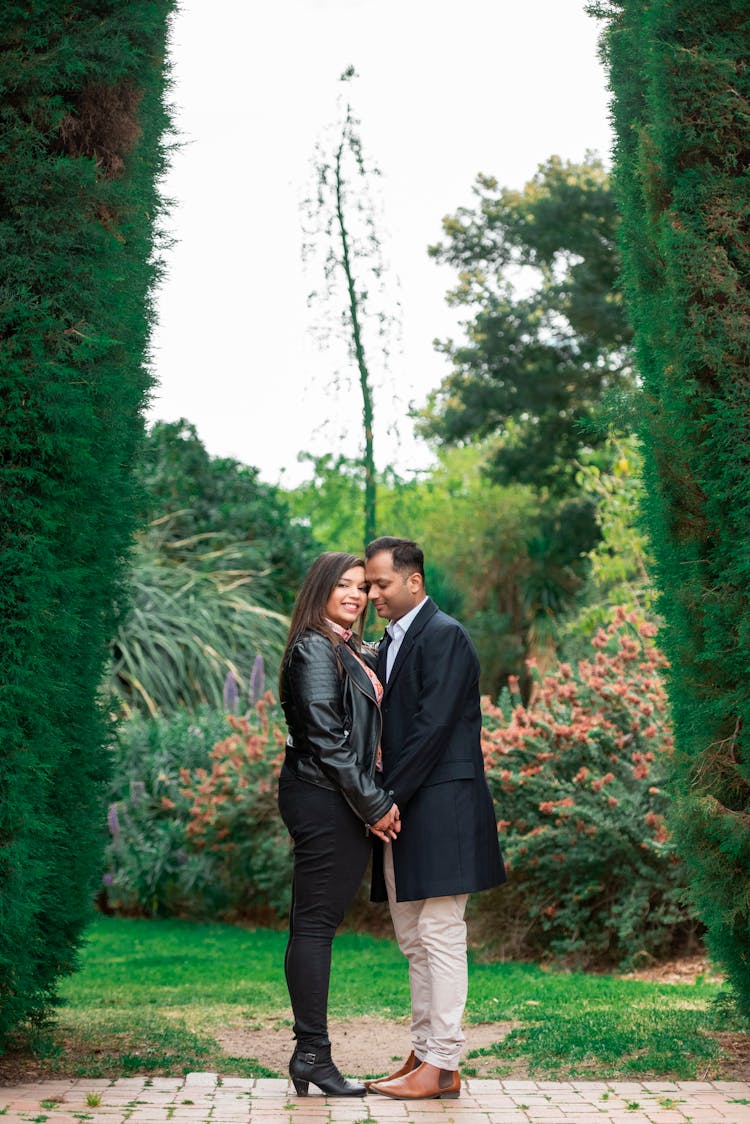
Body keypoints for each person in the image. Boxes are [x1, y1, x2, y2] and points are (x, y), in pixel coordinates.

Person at [363, 536, 506, 1101]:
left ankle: (444, 1062)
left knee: (441, 934)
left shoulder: (445, 636)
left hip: (440, 807)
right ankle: (424, 1054)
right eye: (369, 584)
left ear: (413, 582)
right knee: (413, 939)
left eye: (381, 583)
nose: (373, 593)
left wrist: (385, 800)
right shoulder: (391, 642)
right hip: (405, 810)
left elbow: (433, 728)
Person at [277, 552, 400, 1097]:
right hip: (323, 797)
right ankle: (311, 1054)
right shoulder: (313, 648)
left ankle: (309, 1055)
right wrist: (372, 803)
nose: (355, 594)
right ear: (320, 591)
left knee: (316, 922)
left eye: (362, 586)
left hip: (333, 795)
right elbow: (327, 738)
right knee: (315, 925)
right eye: (343, 586)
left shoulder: (349, 648)